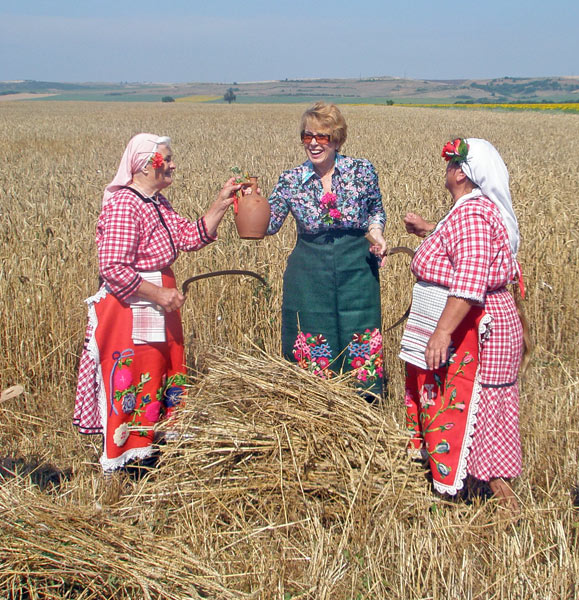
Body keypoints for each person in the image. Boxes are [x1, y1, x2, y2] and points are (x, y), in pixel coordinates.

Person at [73, 133, 240, 472]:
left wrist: (221, 204)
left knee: (160, 371)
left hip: (156, 303)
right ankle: (130, 461)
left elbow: (189, 237)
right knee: (135, 376)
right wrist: (160, 294)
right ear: (147, 165)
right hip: (130, 307)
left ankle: (152, 450)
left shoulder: (156, 203)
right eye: (167, 158)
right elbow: (112, 267)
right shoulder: (125, 204)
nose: (174, 164)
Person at [401, 138, 527, 512]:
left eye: (451, 164)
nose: (446, 169)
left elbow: (470, 279)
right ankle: (474, 493)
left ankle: (507, 507)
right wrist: (430, 231)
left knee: (481, 409)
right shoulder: (469, 212)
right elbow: (465, 255)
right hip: (479, 324)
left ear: (461, 173)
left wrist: (442, 332)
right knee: (480, 408)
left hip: (480, 328)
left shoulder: (471, 216)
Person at [262, 102, 387, 397]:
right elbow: (268, 226)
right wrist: (244, 199)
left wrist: (378, 235)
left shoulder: (362, 171)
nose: (315, 144)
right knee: (311, 331)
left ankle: (363, 404)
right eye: (308, 137)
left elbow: (375, 212)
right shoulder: (290, 180)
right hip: (309, 272)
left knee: (360, 327)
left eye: (323, 137)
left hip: (358, 267)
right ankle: (314, 404)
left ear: (337, 139)